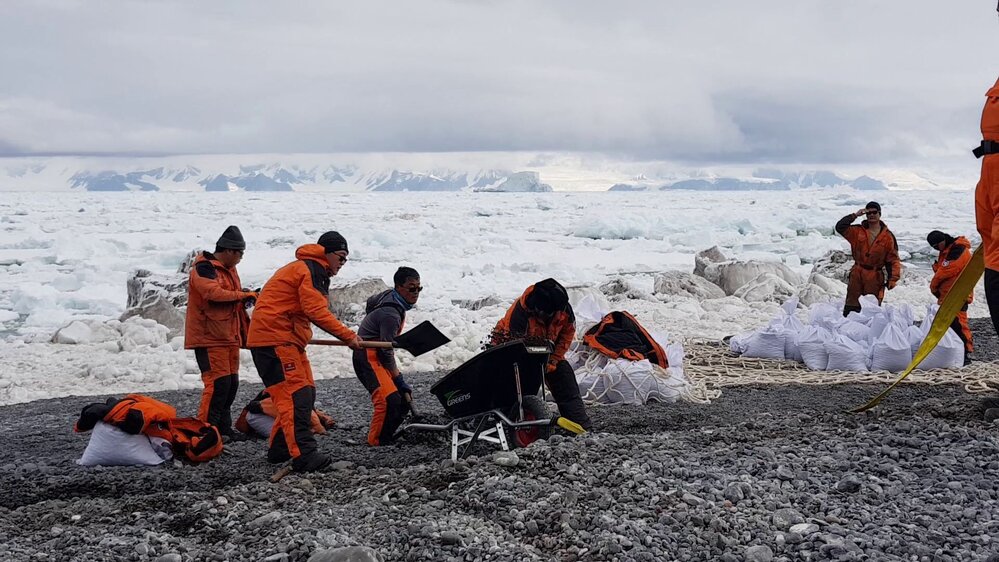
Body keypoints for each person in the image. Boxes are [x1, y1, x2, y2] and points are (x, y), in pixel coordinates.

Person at [246, 231, 361, 473]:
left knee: (305, 392)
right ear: (326, 253)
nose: (342, 264)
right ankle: (304, 455)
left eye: (346, 259)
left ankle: (280, 448)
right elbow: (315, 311)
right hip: (275, 340)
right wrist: (349, 336)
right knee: (293, 397)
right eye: (341, 257)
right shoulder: (312, 269)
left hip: (283, 340)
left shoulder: (306, 268)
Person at [184, 225, 258, 439]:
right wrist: (242, 296)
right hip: (209, 337)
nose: (241, 258)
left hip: (228, 335)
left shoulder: (229, 269)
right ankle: (204, 431)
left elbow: (229, 294)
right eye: (240, 254)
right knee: (217, 385)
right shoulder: (204, 267)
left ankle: (223, 429)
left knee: (231, 384)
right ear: (229, 251)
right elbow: (212, 293)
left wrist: (244, 295)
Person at [490, 278, 592, 430]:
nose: (555, 315)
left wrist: (553, 360)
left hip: (546, 352)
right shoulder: (519, 314)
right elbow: (513, 348)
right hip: (511, 354)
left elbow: (566, 334)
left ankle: (579, 425)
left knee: (564, 378)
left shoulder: (563, 309)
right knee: (520, 385)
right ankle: (509, 420)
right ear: (539, 309)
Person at [352, 267, 421, 446]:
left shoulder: (391, 297)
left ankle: (387, 434)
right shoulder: (391, 314)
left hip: (377, 353)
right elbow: (386, 350)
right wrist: (398, 377)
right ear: (398, 287)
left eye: (419, 288)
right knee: (387, 400)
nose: (416, 293)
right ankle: (377, 441)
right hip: (367, 355)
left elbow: (370, 302)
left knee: (404, 398)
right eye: (411, 288)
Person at [835, 201, 901, 316]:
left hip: (874, 276)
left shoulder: (888, 237)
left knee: (871, 307)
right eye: (868, 212)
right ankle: (848, 329)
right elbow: (840, 227)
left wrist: (893, 278)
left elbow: (893, 259)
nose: (871, 215)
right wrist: (855, 215)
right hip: (857, 274)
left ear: (879, 214)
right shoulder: (857, 231)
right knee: (852, 304)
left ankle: (869, 331)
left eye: (874, 212)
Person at [927, 231, 974, 366]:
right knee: (950, 326)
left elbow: (946, 271)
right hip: (948, 295)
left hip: (957, 295)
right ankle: (957, 355)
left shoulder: (958, 249)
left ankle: (965, 354)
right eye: (934, 247)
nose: (937, 248)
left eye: (937, 245)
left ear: (943, 239)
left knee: (959, 324)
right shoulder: (947, 250)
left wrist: (933, 286)